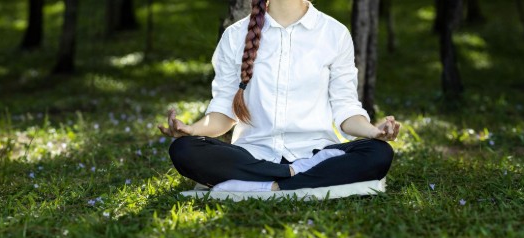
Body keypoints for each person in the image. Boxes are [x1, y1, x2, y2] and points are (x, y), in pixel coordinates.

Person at [158, 0, 401, 192]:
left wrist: (374, 132)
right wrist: (193, 130)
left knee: (379, 153)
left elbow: (345, 107)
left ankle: (267, 186)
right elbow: (224, 112)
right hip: (253, 155)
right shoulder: (235, 36)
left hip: (315, 156)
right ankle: (292, 180)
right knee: (183, 149)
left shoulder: (334, 34)